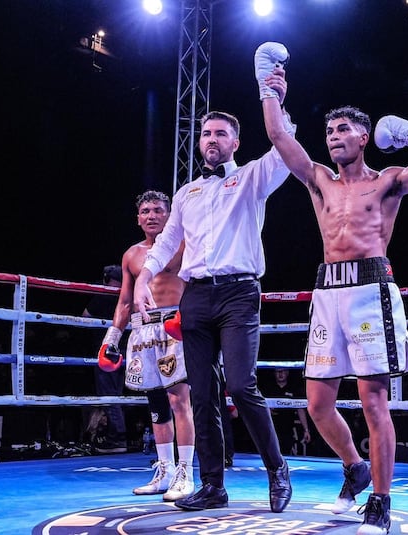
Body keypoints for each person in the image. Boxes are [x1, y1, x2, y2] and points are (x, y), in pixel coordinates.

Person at [258, 42, 408, 534]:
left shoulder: (389, 179)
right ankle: (354, 467)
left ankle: (381, 503)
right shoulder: (319, 180)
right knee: (317, 405)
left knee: (373, 401)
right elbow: (278, 134)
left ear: (365, 136)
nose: (333, 137)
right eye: (328, 130)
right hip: (328, 293)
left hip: (372, 291)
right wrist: (268, 88)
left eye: (343, 129)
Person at [132, 81, 296, 512]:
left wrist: (274, 97)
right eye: (206, 133)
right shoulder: (187, 192)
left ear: (235, 142)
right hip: (195, 297)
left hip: (239, 294)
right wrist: (141, 280)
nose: (212, 140)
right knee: (202, 394)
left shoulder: (252, 176)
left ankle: (277, 471)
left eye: (221, 133)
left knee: (242, 386)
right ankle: (212, 485)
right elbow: (167, 244)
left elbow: (285, 146)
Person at [97, 190, 196, 502]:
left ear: (168, 215)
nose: (152, 216)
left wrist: (195, 322)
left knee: (179, 400)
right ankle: (164, 469)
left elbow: (197, 285)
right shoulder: (131, 255)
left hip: (175, 326)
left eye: (158, 210)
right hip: (143, 330)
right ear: (138, 218)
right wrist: (112, 338)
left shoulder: (184, 244)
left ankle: (185, 472)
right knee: (155, 404)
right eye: (146, 211)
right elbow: (125, 301)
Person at [82, 264, 128, 454]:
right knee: (117, 394)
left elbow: (85, 317)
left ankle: (117, 439)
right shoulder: (128, 296)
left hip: (107, 351)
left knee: (109, 394)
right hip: (126, 352)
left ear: (106, 279)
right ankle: (121, 436)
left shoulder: (104, 295)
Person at [260, 367, 311, 455]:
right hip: (270, 426)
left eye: (282, 371)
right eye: (277, 371)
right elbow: (260, 406)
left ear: (287, 372)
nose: (280, 374)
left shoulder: (293, 388)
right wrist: (267, 409)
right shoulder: (268, 388)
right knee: (269, 452)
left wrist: (306, 429)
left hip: (287, 427)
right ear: (274, 373)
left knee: (285, 451)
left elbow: (300, 409)